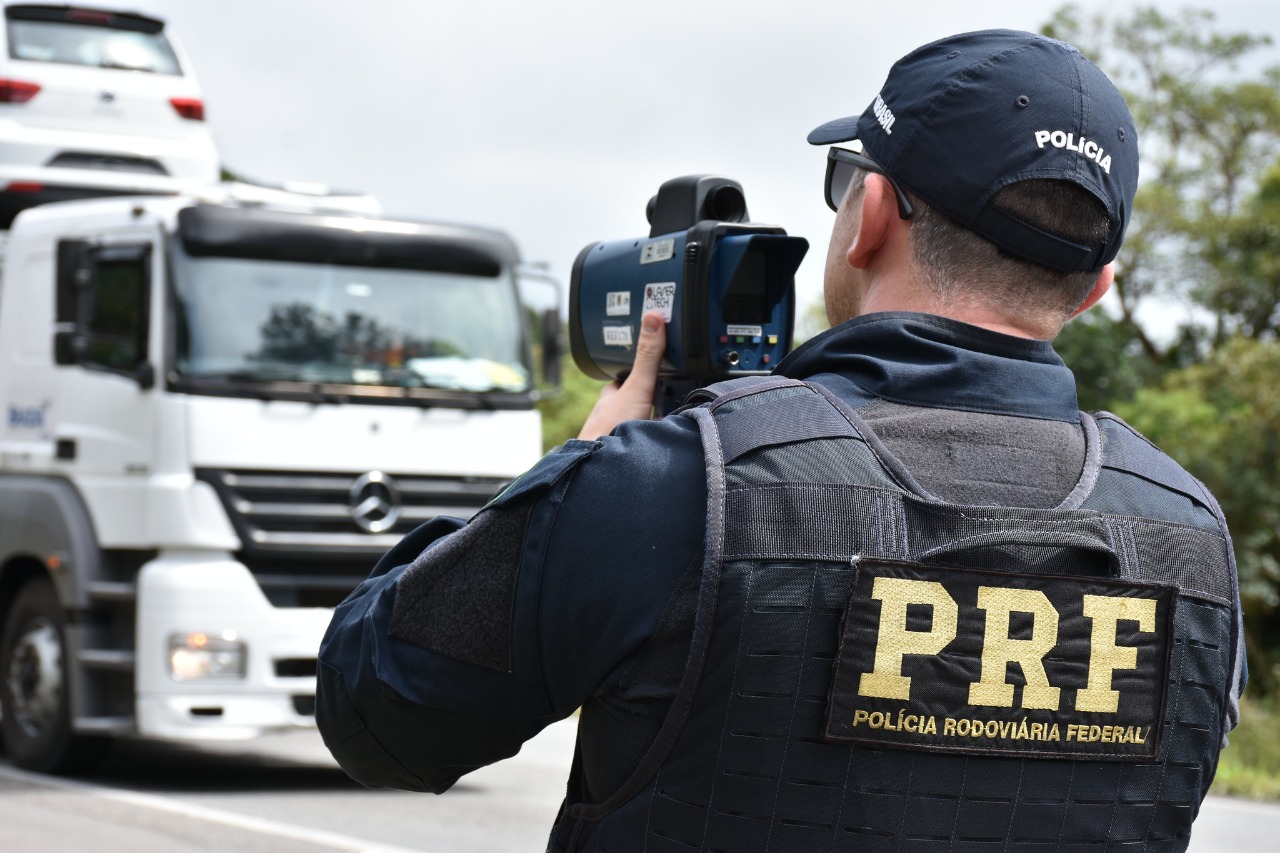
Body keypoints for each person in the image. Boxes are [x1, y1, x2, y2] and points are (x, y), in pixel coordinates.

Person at [317, 29, 1246, 852]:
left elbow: (379, 710)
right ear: (1094, 287)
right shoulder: (1193, 543)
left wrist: (580, 469)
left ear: (870, 215)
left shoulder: (677, 487)